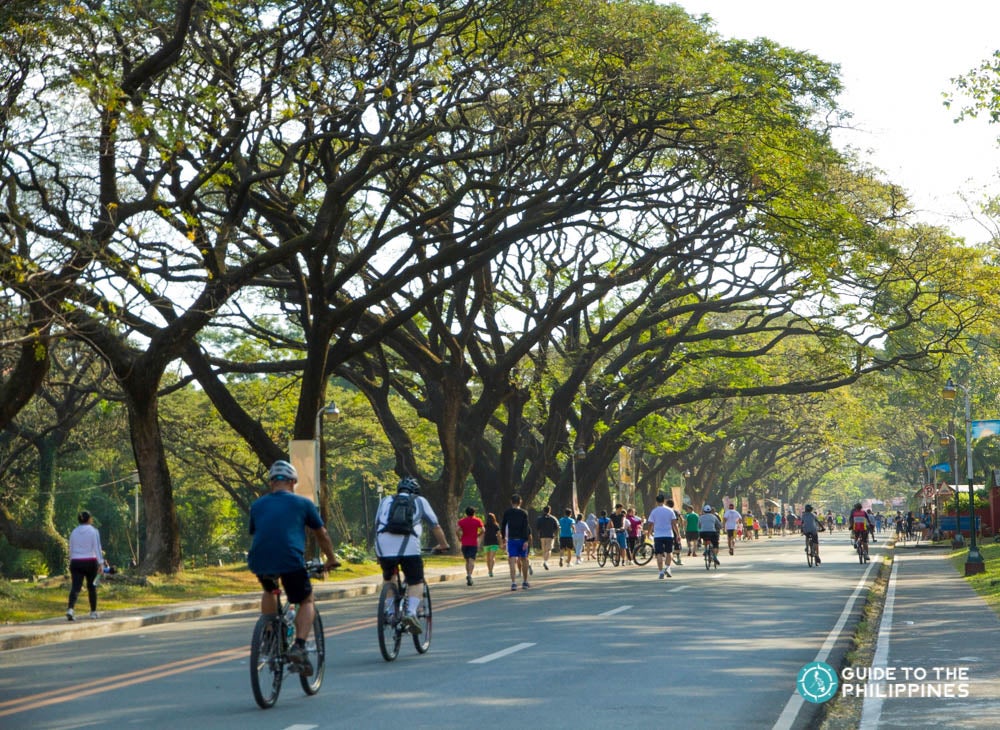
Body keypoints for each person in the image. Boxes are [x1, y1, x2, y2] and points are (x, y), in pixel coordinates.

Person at [248, 460, 341, 676]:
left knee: (270, 589)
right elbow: (322, 534)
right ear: (293, 482)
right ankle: (299, 646)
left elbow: (258, 531)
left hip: (260, 559)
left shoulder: (258, 505)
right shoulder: (303, 504)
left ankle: (270, 634)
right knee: (306, 600)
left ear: (271, 483)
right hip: (290, 559)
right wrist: (331, 559)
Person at [375, 475, 449, 634]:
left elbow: (377, 525)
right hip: (409, 546)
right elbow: (435, 526)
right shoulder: (420, 501)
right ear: (416, 491)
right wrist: (443, 545)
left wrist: (378, 553)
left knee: (389, 578)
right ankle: (410, 613)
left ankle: (390, 611)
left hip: (383, 545)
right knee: (416, 580)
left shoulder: (386, 500)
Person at [67, 510, 104, 621]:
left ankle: (70, 609)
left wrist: (71, 561)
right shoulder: (94, 531)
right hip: (90, 561)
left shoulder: (74, 532)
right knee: (92, 587)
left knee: (75, 587)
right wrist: (101, 563)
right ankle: (93, 612)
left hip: (76, 561)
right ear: (89, 519)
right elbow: (97, 547)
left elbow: (71, 548)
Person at [644, 494, 681, 579]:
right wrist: (678, 534)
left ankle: (661, 572)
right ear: (664, 500)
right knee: (669, 552)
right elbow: (674, 524)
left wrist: (648, 534)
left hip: (658, 535)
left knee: (659, 554)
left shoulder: (654, 511)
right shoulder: (670, 510)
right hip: (668, 534)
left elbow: (651, 524)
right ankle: (667, 568)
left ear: (656, 501)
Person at [501, 494, 532, 590]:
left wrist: (503, 538)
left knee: (512, 560)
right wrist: (526, 540)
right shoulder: (524, 513)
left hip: (511, 539)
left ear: (511, 502)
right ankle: (525, 581)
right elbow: (526, 527)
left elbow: (503, 526)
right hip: (522, 539)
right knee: (524, 559)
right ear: (520, 502)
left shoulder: (507, 512)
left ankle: (513, 583)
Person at [457, 506, 484, 586]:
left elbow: (456, 530)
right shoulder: (477, 520)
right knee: (471, 560)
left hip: (464, 543)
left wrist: (459, 537)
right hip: (473, 543)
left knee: (467, 560)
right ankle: (470, 575)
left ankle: (468, 574)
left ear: (466, 513)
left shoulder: (462, 521)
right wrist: (479, 534)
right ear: (474, 513)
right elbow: (483, 529)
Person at [536, 505, 560, 570]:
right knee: (549, 549)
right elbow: (557, 527)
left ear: (543, 510)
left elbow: (537, 528)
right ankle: (546, 562)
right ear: (550, 510)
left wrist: (539, 534)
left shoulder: (539, 518)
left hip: (542, 536)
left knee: (544, 550)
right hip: (550, 536)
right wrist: (556, 535)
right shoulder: (553, 518)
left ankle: (545, 561)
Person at [483, 512, 501, 577]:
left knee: (488, 558)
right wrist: (500, 542)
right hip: (494, 543)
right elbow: (499, 535)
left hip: (486, 543)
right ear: (494, 518)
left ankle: (489, 570)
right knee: (492, 557)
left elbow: (483, 534)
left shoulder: (485, 525)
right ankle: (491, 570)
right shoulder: (496, 525)